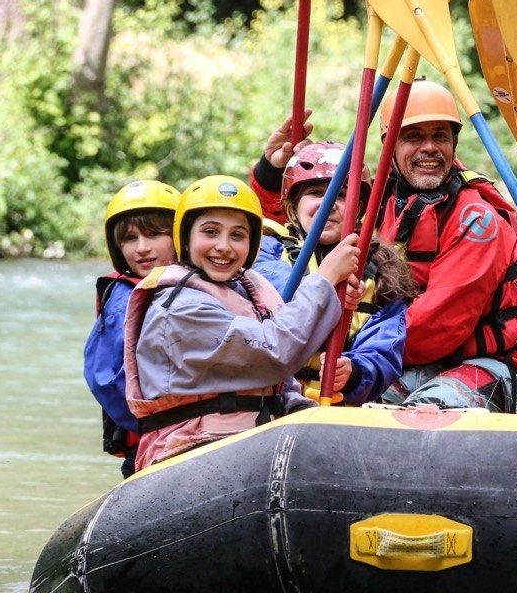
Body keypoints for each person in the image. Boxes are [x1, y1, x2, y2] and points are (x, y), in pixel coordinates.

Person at [122, 175, 363, 471]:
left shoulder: (248, 288)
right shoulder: (179, 307)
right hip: (189, 449)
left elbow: (282, 373)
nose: (223, 246)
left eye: (237, 236)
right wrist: (325, 280)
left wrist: (334, 298)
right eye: (210, 232)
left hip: (248, 438)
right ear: (185, 238)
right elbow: (276, 351)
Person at [374, 79, 517, 412]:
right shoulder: (376, 202)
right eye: (413, 136)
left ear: (453, 143)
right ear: (388, 147)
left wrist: (360, 348)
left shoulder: (476, 220)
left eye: (440, 136)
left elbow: (439, 326)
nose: (430, 148)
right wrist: (270, 171)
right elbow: (304, 223)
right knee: (346, 396)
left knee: (424, 413)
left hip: (483, 361)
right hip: (404, 353)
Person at [253, 141, 412, 406]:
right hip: (271, 403)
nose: (329, 205)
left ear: (359, 207)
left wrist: (355, 372)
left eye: (341, 195)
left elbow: (385, 348)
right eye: (316, 193)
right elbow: (266, 300)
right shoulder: (266, 252)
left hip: (334, 408)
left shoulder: (381, 270)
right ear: (292, 207)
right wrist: (326, 286)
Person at [83, 179, 179, 478]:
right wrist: (161, 423)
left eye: (153, 234)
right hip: (154, 443)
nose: (142, 248)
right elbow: (104, 379)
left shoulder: (202, 285)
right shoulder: (124, 300)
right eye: (129, 239)